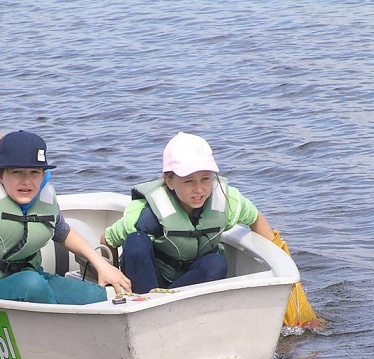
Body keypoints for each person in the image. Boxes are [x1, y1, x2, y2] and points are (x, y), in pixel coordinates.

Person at [102, 131, 321, 327]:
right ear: (169, 181)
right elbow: (107, 239)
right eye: (188, 181)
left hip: (192, 282)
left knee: (217, 262)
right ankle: (146, 316)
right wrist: (110, 274)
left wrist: (280, 261)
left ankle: (171, 313)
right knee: (136, 242)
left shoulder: (227, 201)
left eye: (205, 179)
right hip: (148, 285)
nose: (199, 189)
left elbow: (256, 219)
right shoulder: (146, 213)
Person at [0, 130, 131, 305]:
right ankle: (57, 326)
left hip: (31, 277)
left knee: (96, 296)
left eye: (34, 172)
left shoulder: (42, 200)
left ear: (43, 175)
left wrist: (102, 265)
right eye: (17, 172)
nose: (26, 181)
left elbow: (64, 233)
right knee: (32, 284)